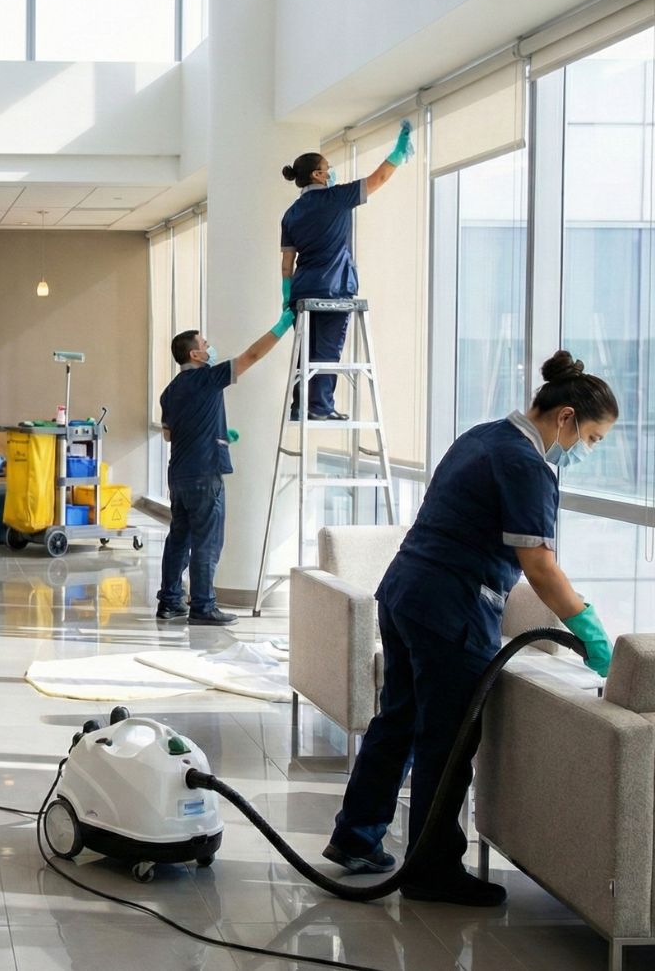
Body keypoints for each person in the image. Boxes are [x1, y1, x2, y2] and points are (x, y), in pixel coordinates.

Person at [325, 351, 616, 907]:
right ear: (566, 418)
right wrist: (590, 631)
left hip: (405, 591)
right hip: (450, 609)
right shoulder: (527, 465)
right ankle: (432, 871)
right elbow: (541, 565)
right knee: (449, 738)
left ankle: (356, 837)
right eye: (592, 438)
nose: (586, 451)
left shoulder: (481, 436)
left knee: (400, 718)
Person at [157, 311, 290, 625]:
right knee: (207, 541)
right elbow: (252, 355)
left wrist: (214, 431)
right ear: (195, 354)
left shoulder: (169, 391)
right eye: (205, 343)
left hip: (178, 476)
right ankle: (203, 607)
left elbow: (168, 433)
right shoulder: (208, 377)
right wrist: (282, 324)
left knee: (179, 539)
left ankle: (170, 601)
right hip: (205, 474)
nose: (210, 346)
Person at [279, 120, 412, 421]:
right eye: (327, 167)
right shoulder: (337, 197)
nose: (331, 171)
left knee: (306, 352)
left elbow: (287, 264)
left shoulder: (290, 214)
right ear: (317, 174)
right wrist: (398, 152)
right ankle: (319, 408)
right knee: (326, 352)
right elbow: (378, 178)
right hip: (333, 290)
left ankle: (301, 406)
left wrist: (286, 298)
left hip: (302, 291)